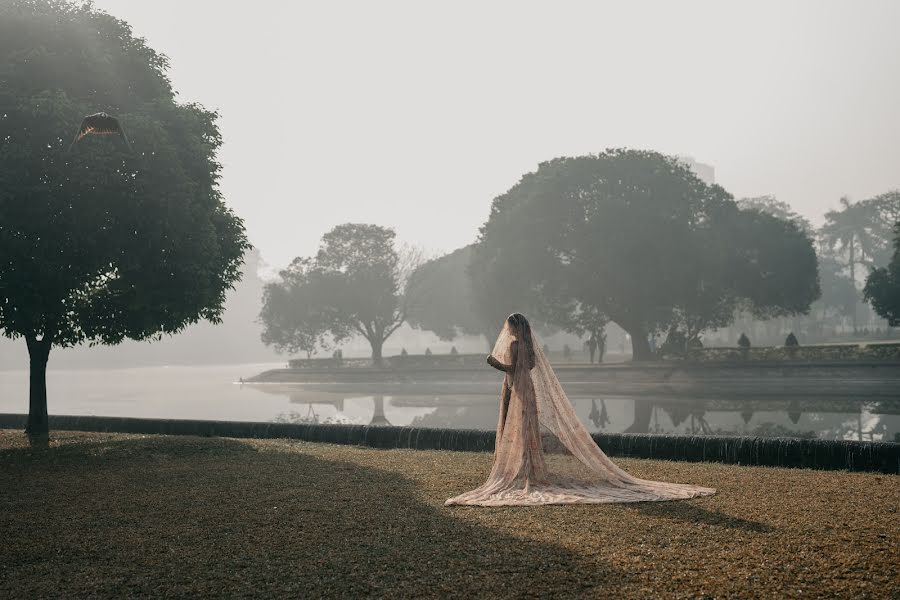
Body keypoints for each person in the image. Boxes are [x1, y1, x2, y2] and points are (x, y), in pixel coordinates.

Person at [445, 313, 715, 506]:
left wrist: (495, 364)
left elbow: (514, 369)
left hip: (516, 390)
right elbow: (530, 368)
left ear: (515, 329)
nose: (508, 332)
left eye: (510, 327)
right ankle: (531, 468)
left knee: (518, 430)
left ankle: (522, 470)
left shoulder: (516, 345)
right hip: (528, 392)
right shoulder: (528, 346)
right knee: (529, 430)